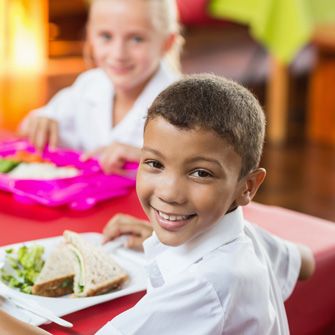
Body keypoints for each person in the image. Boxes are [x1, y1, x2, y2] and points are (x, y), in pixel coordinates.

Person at [0, 74, 315, 334]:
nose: (170, 192)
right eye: (154, 163)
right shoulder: (248, 237)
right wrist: (158, 232)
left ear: (247, 187)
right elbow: (305, 261)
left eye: (201, 172)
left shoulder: (208, 285)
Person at [19, 0, 182, 174]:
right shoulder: (89, 85)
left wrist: (148, 159)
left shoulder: (183, 105)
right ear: (90, 35)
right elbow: (30, 128)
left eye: (136, 39)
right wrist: (39, 122)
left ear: (167, 43)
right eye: (106, 36)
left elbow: (196, 171)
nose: (118, 54)